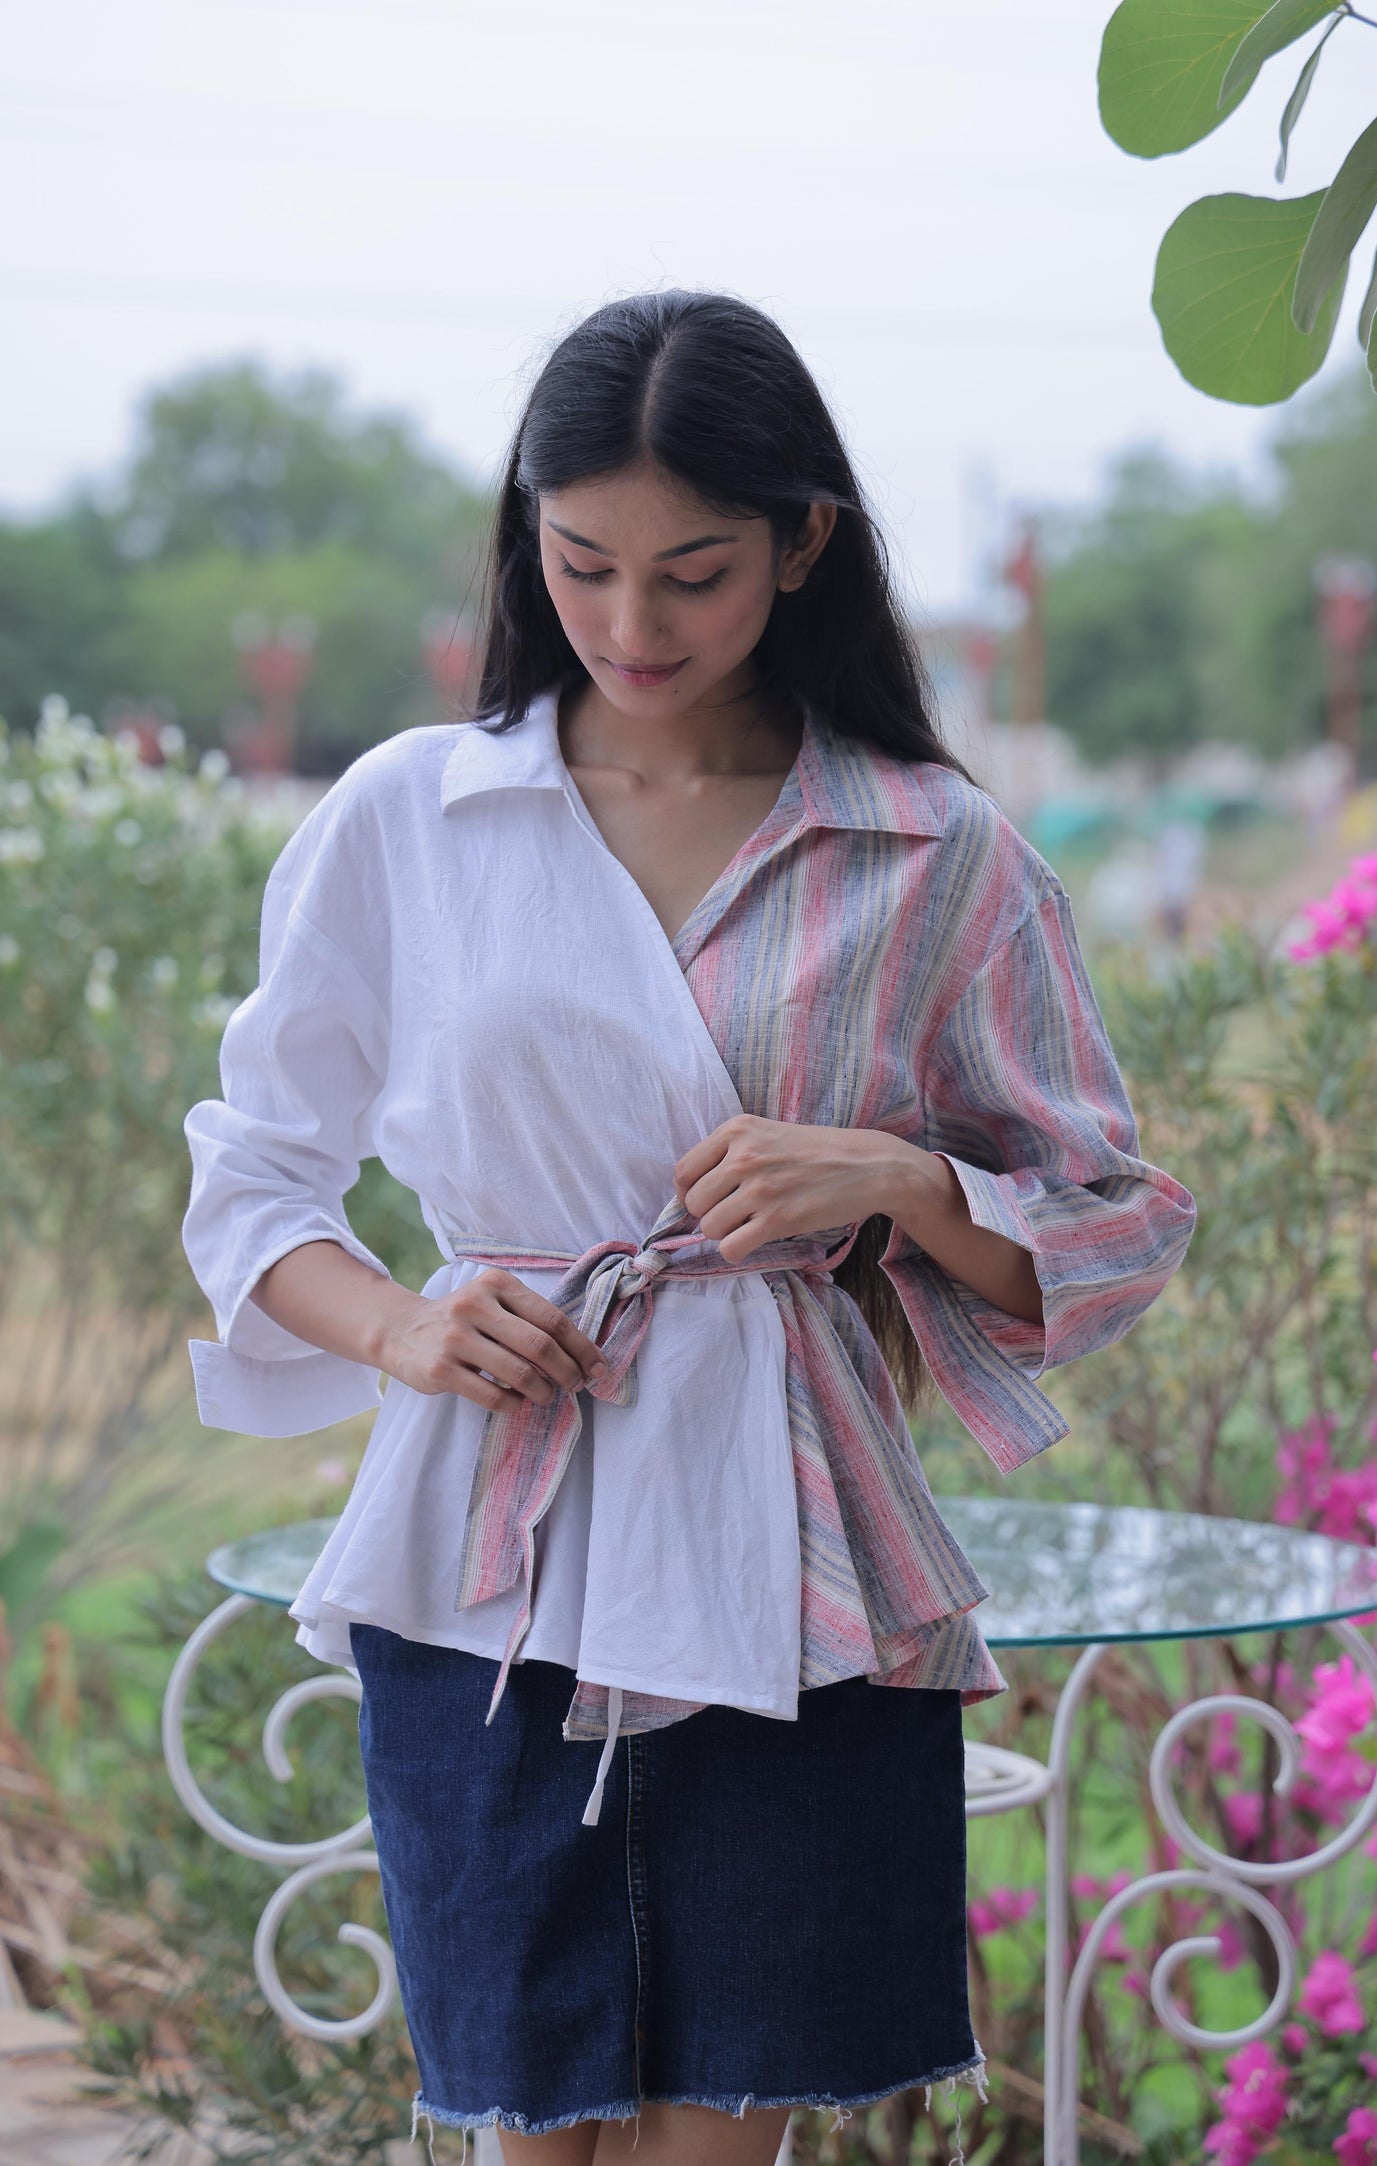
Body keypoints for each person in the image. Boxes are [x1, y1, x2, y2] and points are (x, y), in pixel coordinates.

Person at [180, 290, 1197, 2166]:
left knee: (722, 2145)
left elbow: (1114, 1213)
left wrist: (897, 1182)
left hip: (793, 1555)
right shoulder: (414, 816)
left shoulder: (925, 847)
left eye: (695, 574)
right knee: (524, 2134)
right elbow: (251, 1178)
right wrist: (407, 1325)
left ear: (803, 544)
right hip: (488, 1552)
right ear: (526, 536)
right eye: (583, 567)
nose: (633, 628)